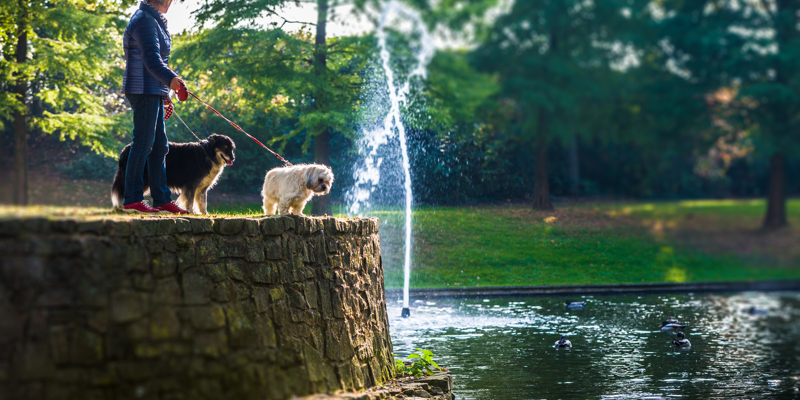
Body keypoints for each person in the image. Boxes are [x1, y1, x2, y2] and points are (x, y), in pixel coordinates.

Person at [120, 0, 188, 214]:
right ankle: (132, 199)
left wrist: (165, 92)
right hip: (142, 90)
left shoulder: (153, 20)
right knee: (143, 144)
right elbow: (152, 60)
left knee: (159, 147)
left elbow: (156, 60)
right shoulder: (145, 20)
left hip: (152, 90)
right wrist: (172, 81)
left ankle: (161, 199)